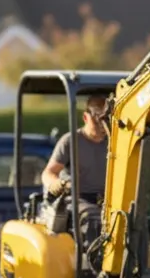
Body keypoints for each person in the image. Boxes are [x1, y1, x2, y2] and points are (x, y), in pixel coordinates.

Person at [42, 94, 110, 266]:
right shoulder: (70, 141)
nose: (103, 126)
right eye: (98, 120)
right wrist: (56, 184)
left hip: (105, 199)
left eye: (106, 120)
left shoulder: (113, 142)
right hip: (76, 197)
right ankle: (94, 270)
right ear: (86, 117)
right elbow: (48, 173)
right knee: (93, 218)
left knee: (132, 219)